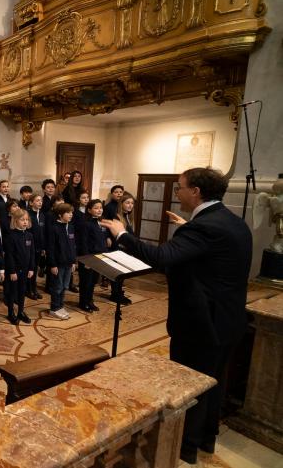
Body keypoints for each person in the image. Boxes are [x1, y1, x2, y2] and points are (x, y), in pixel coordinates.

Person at [101, 168, 251, 464]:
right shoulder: (232, 222)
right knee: (215, 382)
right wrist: (189, 228)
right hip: (229, 319)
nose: (176, 192)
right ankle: (206, 439)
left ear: (196, 192)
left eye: (180, 187)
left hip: (201, 324)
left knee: (190, 385)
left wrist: (123, 235)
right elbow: (212, 260)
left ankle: (185, 446)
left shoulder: (203, 229)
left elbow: (161, 258)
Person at [4, 208, 35, 325]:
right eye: (22, 220)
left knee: (22, 291)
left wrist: (31, 268)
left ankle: (20, 311)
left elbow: (32, 253)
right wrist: (12, 271)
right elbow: (9, 256)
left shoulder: (29, 235)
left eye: (27, 219)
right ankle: (10, 313)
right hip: (14, 270)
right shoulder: (11, 236)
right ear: (15, 221)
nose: (25, 222)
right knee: (12, 292)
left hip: (26, 269)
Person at [47, 203, 77, 320]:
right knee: (57, 287)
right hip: (58, 264)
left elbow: (73, 246)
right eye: (68, 213)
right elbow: (51, 248)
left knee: (65, 286)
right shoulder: (54, 228)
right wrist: (53, 264)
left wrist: (73, 261)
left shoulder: (71, 227)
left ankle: (60, 306)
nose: (71, 215)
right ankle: (54, 308)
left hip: (68, 262)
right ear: (60, 215)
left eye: (71, 212)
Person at [77, 199, 107, 313]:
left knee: (93, 281)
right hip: (88, 258)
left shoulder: (99, 222)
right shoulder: (85, 223)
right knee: (86, 282)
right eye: (96, 208)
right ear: (89, 210)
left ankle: (90, 301)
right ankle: (83, 302)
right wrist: (86, 260)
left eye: (100, 208)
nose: (99, 210)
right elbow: (83, 243)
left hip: (98, 257)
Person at [108, 191, 136, 305]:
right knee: (117, 273)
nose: (130, 205)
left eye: (132, 203)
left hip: (126, 250)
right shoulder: (117, 217)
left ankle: (119, 293)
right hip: (118, 249)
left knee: (122, 273)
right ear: (121, 204)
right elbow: (115, 235)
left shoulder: (128, 216)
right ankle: (115, 294)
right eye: (127, 203)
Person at [27, 194, 46, 300]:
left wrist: (43, 247)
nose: (40, 202)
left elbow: (43, 233)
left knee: (35, 268)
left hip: (39, 247)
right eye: (37, 200)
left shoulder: (42, 215)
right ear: (31, 203)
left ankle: (34, 289)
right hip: (30, 247)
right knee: (30, 269)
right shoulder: (28, 215)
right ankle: (29, 290)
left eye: (41, 201)